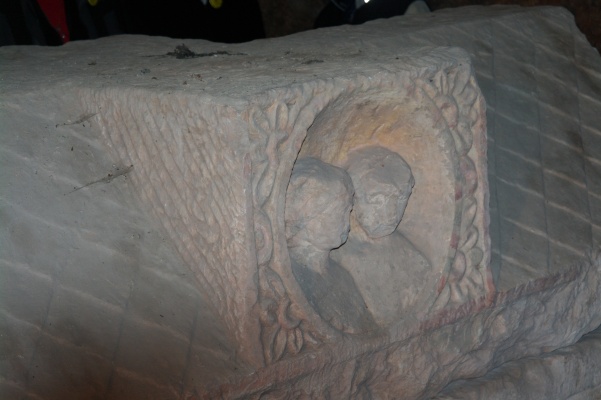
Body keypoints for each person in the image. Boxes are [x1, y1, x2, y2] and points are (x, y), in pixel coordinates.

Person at [330, 146, 438, 327]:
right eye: (377, 200)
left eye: (399, 200)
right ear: (352, 198)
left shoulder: (413, 257)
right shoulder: (337, 260)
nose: (390, 214)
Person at [285, 157, 375, 334]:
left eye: (347, 210)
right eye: (336, 212)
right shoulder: (292, 281)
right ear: (304, 217)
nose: (346, 221)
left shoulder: (342, 276)